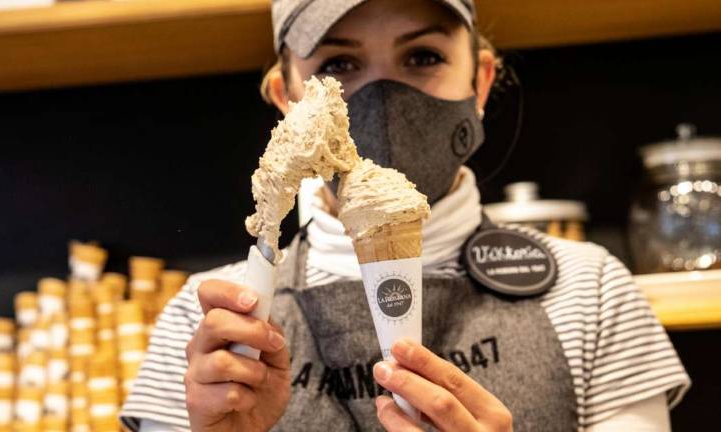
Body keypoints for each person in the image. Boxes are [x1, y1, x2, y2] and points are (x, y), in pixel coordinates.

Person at [120, 0, 691, 431]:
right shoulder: (208, 330)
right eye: (339, 64)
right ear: (286, 100)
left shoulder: (592, 292)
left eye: (423, 57)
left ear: (481, 82)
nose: (382, 97)